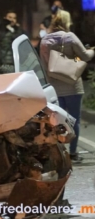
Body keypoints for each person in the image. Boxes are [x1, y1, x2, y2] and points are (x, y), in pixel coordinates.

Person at [39, 13, 95, 163]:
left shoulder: (45, 40)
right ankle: (73, 153)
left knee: (57, 122)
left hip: (54, 87)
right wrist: (92, 50)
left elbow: (44, 65)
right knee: (74, 120)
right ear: (67, 22)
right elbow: (85, 56)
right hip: (72, 86)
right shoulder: (69, 37)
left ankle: (58, 153)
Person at [0, 9, 24, 74]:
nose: (12, 20)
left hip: (11, 64)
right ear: (5, 18)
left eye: (14, 18)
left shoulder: (18, 31)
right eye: (10, 17)